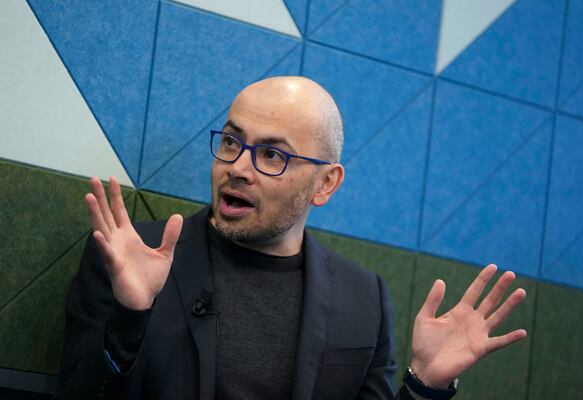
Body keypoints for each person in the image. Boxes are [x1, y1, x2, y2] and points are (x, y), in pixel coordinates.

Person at [55, 76, 527, 400]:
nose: (238, 167)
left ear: (325, 184)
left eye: (273, 156)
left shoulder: (364, 300)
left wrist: (424, 386)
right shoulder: (127, 256)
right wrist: (130, 320)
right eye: (231, 142)